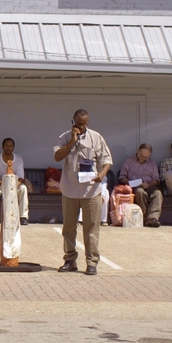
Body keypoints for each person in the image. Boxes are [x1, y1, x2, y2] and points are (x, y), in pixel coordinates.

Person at [54, 109, 111, 276]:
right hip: (70, 189)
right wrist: (72, 140)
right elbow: (57, 156)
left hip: (91, 190)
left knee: (91, 227)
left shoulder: (96, 137)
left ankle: (91, 262)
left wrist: (102, 174)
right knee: (69, 228)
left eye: (85, 124)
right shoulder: (64, 137)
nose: (82, 127)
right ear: (73, 122)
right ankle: (70, 260)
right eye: (79, 124)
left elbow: (107, 159)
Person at [0, 137, 31, 225]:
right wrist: (5, 184)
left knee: (23, 188)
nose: (8, 148)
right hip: (0, 184)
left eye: (11, 146)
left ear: (13, 148)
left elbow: (21, 178)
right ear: (2, 147)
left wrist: (13, 185)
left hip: (14, 185)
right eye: (6, 145)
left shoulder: (18, 160)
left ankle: (23, 217)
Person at [119, 143, 163, 228]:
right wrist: (131, 182)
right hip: (134, 185)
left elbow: (156, 179)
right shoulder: (128, 162)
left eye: (146, 157)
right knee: (140, 192)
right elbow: (122, 177)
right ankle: (143, 217)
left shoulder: (152, 163)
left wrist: (148, 184)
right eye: (142, 156)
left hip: (149, 184)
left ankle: (153, 218)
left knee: (158, 193)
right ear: (138, 151)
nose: (143, 158)